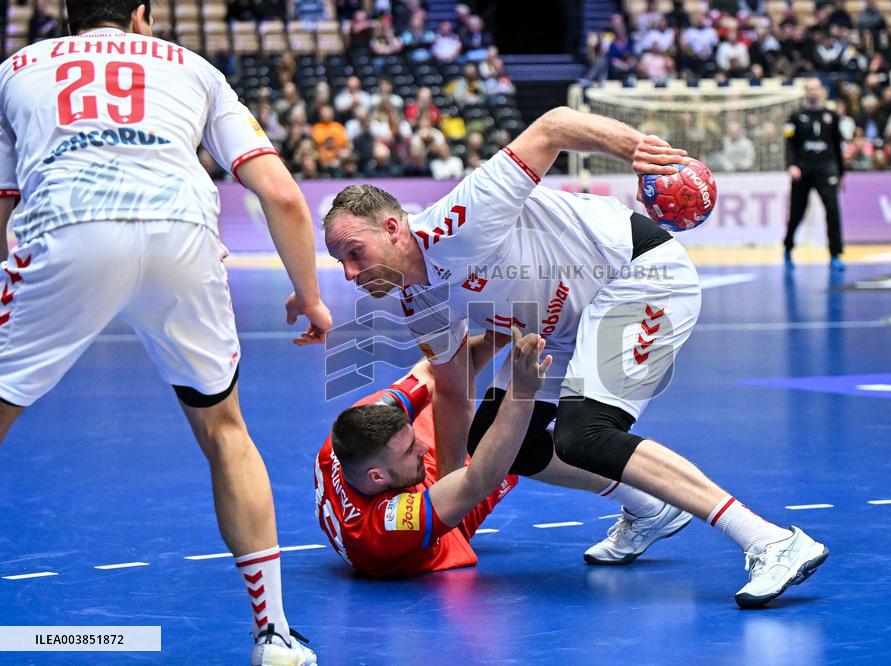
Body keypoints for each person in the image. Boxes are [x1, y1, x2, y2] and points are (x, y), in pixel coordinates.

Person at [317, 105, 830, 607]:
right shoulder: (416, 300)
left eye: (355, 253)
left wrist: (636, 149)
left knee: (586, 433)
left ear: (392, 228)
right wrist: (448, 502)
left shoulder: (460, 218)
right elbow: (452, 392)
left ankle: (769, 540)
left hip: (639, 274)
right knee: (500, 438)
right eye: (340, 262)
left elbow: (553, 126)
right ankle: (649, 509)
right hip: (559, 329)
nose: (350, 273)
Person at [0, 2, 331, 664]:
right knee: (225, 430)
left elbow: (5, 201)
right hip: (183, 234)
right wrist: (311, 296)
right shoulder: (194, 67)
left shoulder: (14, 70)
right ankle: (274, 635)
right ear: (140, 16)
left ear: (67, 18)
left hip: (67, 227)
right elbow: (283, 195)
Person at [316, 331, 694, 575]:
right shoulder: (386, 527)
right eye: (410, 449)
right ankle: (649, 505)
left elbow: (433, 373)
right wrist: (522, 392)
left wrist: (498, 330)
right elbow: (479, 478)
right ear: (377, 477)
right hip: (441, 521)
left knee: (450, 389)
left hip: (408, 483)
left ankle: (561, 339)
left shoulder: (352, 434)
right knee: (518, 449)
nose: (424, 446)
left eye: (413, 437)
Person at [783, 78, 846, 271]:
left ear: (822, 91)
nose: (813, 92)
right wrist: (791, 165)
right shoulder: (795, 116)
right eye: (809, 89)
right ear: (805, 92)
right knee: (797, 212)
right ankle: (788, 248)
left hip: (826, 169)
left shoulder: (831, 116)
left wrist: (841, 173)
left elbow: (837, 146)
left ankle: (835, 255)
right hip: (802, 170)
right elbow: (789, 144)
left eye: (816, 89)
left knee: (833, 211)